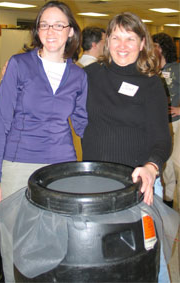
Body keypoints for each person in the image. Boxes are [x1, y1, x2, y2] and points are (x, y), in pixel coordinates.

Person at [0, 1, 88, 281]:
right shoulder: (19, 65)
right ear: (37, 31)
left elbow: (82, 124)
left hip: (60, 167)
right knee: (14, 242)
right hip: (18, 164)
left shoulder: (79, 75)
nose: (50, 30)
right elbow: (2, 123)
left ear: (71, 32)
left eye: (58, 25)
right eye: (44, 24)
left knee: (56, 240)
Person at [81, 12, 172, 282]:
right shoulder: (89, 75)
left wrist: (152, 166)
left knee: (149, 260)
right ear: (107, 41)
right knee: (102, 259)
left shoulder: (151, 83)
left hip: (138, 186)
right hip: (97, 186)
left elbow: (162, 138)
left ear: (142, 43)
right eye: (116, 37)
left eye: (130, 38)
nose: (122, 45)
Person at [152, 32, 180, 208]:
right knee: (165, 164)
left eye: (155, 45)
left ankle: (172, 201)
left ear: (162, 48)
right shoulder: (150, 70)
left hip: (177, 121)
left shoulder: (176, 69)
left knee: (175, 162)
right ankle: (167, 201)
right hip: (160, 122)